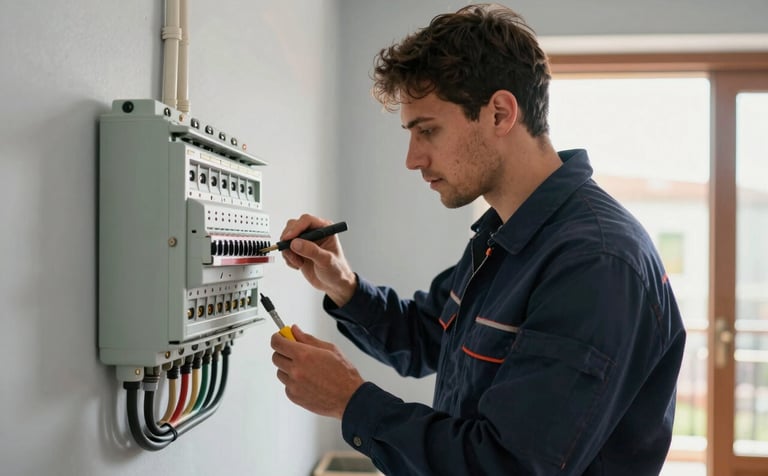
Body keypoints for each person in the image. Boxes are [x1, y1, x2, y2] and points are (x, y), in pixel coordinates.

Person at [270, 4, 686, 475]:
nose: (412, 159)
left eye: (427, 130)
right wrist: (342, 284)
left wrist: (351, 401)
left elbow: (506, 466)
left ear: (500, 113)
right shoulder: (502, 236)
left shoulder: (597, 262)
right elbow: (429, 337)